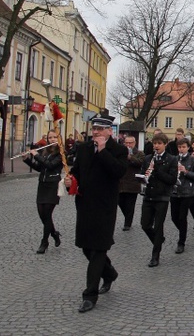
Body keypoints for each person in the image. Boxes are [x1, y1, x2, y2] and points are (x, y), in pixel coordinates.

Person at [64, 114, 128, 313]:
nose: (96, 132)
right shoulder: (83, 149)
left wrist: (102, 151)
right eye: (94, 129)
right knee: (86, 248)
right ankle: (109, 274)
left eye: (100, 129)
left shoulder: (119, 150)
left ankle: (89, 295)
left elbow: (118, 172)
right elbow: (77, 172)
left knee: (99, 249)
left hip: (105, 206)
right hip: (84, 205)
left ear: (110, 131)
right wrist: (70, 182)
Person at [140, 133, 178, 267]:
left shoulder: (172, 159)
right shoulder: (148, 158)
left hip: (162, 196)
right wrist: (143, 176)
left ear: (165, 144)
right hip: (149, 195)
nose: (156, 146)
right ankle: (159, 240)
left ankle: (155, 255)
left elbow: (172, 179)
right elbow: (143, 173)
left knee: (158, 226)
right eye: (155, 143)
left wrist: (157, 170)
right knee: (145, 224)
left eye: (159, 143)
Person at [23, 130, 63, 254]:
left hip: (53, 185)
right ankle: (54, 233)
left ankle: (44, 242)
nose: (52, 140)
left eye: (54, 137)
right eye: (50, 137)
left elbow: (50, 166)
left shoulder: (61, 153)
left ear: (58, 138)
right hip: (43, 185)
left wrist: (36, 155)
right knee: (42, 215)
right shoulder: (46, 152)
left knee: (47, 214)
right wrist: (27, 160)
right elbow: (41, 168)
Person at [170, 138, 194, 254]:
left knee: (182, 217)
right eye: (179, 147)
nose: (181, 149)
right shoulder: (174, 159)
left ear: (188, 147)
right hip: (174, 192)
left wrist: (185, 171)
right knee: (174, 217)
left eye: (183, 147)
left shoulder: (192, 160)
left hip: (187, 193)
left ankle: (181, 242)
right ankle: (183, 231)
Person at [118, 135, 144, 231]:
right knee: (120, 202)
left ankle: (127, 223)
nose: (128, 145)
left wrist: (130, 157)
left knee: (130, 204)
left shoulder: (139, 153)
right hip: (121, 183)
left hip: (133, 183)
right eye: (127, 143)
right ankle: (127, 217)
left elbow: (140, 163)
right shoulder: (121, 152)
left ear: (134, 143)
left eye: (130, 143)